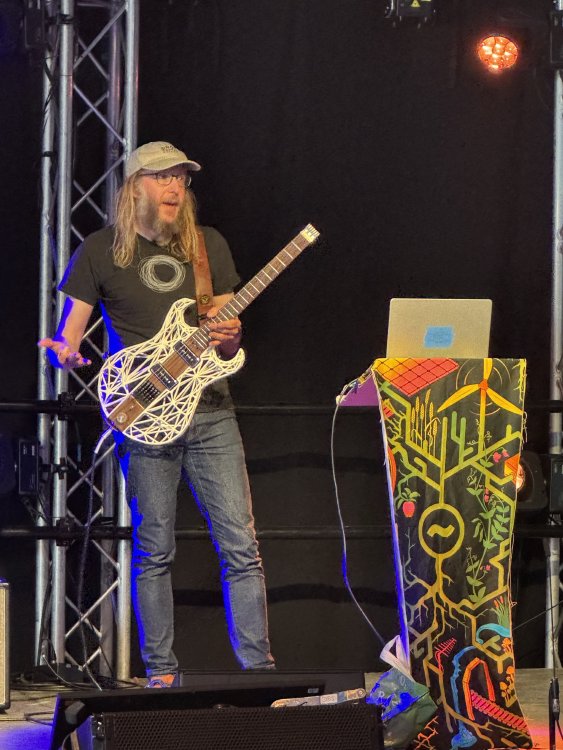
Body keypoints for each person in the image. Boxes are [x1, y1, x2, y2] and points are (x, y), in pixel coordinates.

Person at [39, 141, 275, 687]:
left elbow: (221, 332)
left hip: (212, 411)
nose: (174, 188)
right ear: (135, 187)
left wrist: (230, 335)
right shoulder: (101, 251)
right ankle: (162, 675)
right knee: (155, 549)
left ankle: (261, 675)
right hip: (145, 415)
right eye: (162, 177)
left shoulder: (206, 245)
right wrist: (67, 352)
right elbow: (70, 335)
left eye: (181, 180)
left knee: (242, 545)